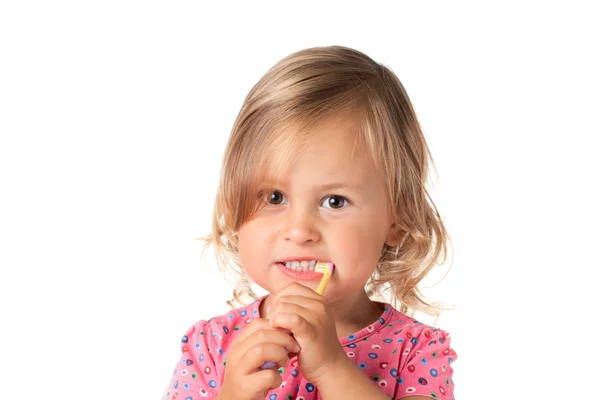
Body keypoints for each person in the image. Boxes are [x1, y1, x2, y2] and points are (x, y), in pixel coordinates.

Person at [161, 45, 457, 400]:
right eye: (274, 197)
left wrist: (331, 366)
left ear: (398, 218)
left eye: (335, 201)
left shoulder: (416, 350)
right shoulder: (211, 345)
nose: (299, 231)